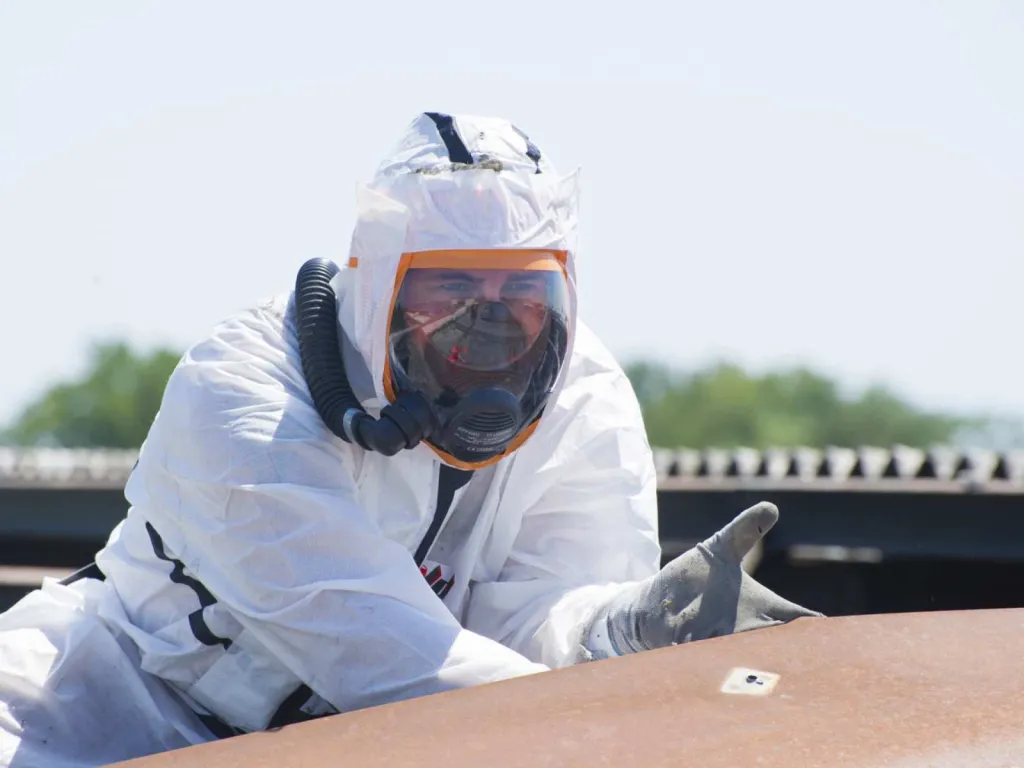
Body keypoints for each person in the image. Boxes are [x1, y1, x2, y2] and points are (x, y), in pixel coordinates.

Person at [0, 112, 821, 766]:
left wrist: (623, 629)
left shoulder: (587, 398)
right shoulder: (246, 394)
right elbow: (381, 655)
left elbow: (521, 619)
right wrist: (604, 719)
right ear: (375, 285)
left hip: (348, 746)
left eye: (521, 293)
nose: (488, 326)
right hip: (96, 715)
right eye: (452, 288)